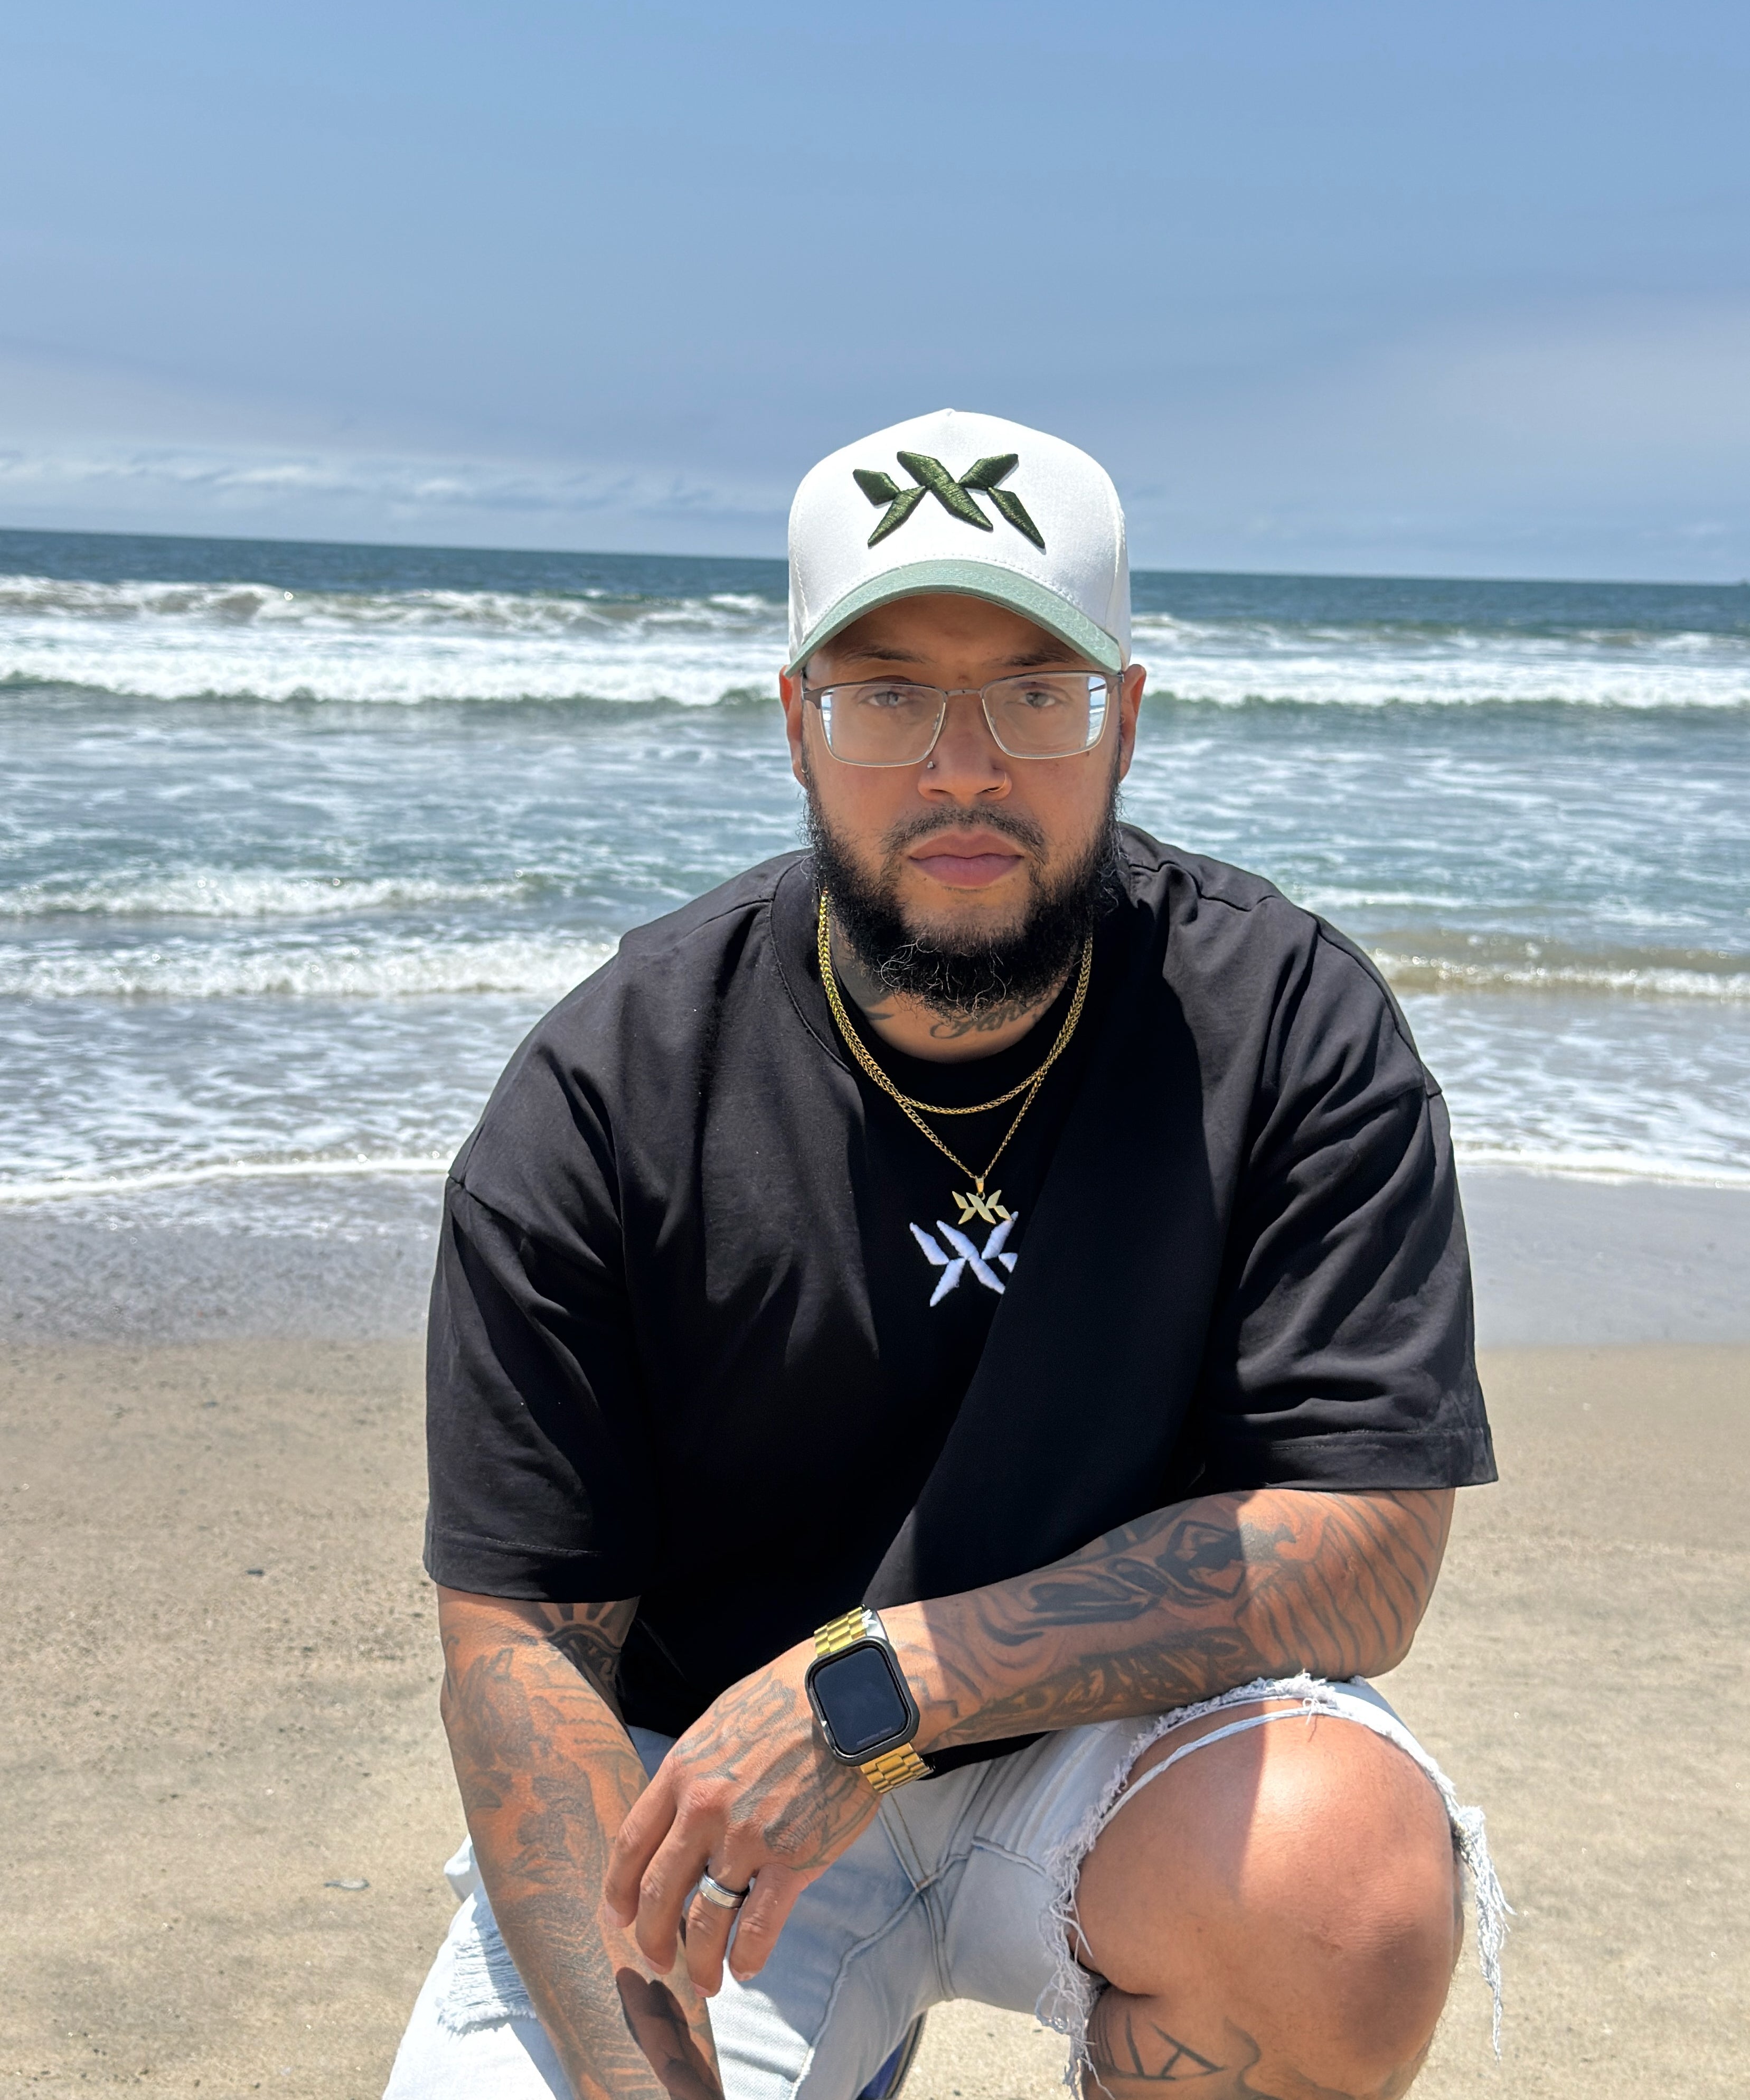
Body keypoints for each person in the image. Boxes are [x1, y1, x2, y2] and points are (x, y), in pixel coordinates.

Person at [385, 408, 1504, 2100]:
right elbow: (522, 1647)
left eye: (1032, 695)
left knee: (1340, 1889)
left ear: (1123, 721)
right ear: (795, 725)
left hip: (1102, 1762)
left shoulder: (1280, 1026)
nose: (962, 765)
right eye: (887, 691)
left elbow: (1364, 1546)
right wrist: (643, 2075)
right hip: (704, 1799)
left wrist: (885, 1683)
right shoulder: (609, 1089)